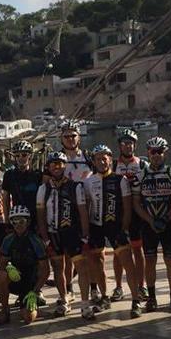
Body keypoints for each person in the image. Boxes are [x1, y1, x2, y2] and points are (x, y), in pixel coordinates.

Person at [83, 144, 136, 317]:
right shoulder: (89, 181)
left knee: (128, 262)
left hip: (116, 226)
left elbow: (127, 208)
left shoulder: (121, 180)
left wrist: (125, 228)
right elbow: (87, 206)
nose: (101, 161)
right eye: (98, 158)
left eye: (104, 158)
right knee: (97, 262)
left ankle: (136, 300)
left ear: (110, 160)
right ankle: (104, 296)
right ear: (94, 161)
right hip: (96, 226)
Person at [132, 136, 171, 312]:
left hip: (167, 223)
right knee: (150, 260)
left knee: (170, 260)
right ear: (148, 153)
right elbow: (136, 203)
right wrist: (150, 220)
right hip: (148, 224)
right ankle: (151, 298)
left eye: (160, 152)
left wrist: (167, 219)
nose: (156, 155)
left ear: (165, 153)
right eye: (153, 152)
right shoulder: (140, 175)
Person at [36, 151, 90, 317]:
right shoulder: (43, 189)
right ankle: (64, 299)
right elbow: (40, 216)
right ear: (49, 167)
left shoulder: (76, 187)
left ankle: (85, 304)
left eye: (60, 164)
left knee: (81, 268)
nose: (56, 167)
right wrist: (45, 239)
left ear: (65, 166)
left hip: (72, 233)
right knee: (58, 268)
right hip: (53, 235)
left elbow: (83, 213)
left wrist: (85, 236)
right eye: (53, 164)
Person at [0, 206, 49, 325]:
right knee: (2, 275)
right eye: (14, 221)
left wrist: (35, 290)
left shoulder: (36, 240)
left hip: (31, 283)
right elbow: (1, 265)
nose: (18, 224)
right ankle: (4, 310)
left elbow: (45, 270)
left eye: (22, 221)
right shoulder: (8, 240)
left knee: (28, 318)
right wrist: (8, 267)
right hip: (15, 278)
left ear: (28, 222)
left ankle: (35, 301)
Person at [114, 127, 148, 303]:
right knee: (118, 251)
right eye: (124, 143)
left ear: (135, 145)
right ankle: (118, 286)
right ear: (119, 145)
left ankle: (140, 286)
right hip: (117, 212)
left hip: (137, 212)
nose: (128, 146)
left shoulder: (142, 164)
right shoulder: (113, 164)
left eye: (131, 143)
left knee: (137, 249)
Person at [1, 140, 43, 225]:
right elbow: (6, 199)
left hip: (35, 218)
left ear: (30, 156)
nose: (20, 158)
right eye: (17, 156)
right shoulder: (9, 175)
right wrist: (6, 219)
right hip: (17, 217)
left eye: (24, 155)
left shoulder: (38, 175)